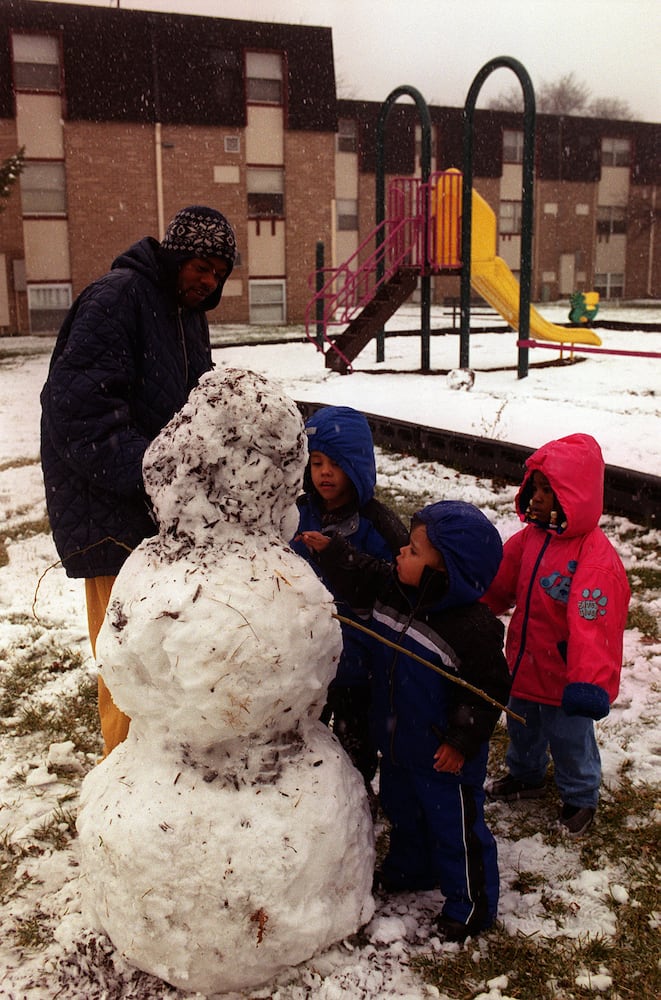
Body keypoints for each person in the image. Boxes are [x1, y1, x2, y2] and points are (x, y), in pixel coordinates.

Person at [40, 205, 237, 755]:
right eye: (202, 265)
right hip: (109, 512)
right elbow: (77, 415)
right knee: (128, 658)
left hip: (156, 510)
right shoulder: (118, 299)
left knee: (166, 651)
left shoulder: (184, 314)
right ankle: (125, 788)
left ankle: (166, 783)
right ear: (175, 255)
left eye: (220, 272)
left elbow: (195, 406)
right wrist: (160, 474)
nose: (210, 280)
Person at [298, 500, 511, 941]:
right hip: (397, 744)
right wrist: (332, 551)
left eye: (414, 551)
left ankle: (470, 905)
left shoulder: (470, 631)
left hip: (441, 756)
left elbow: (486, 696)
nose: (400, 553)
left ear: (444, 572)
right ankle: (412, 867)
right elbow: (365, 573)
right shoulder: (394, 590)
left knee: (456, 831)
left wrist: (460, 741)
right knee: (403, 812)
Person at [483, 433, 630, 837]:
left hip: (566, 674)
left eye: (550, 489)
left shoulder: (593, 559)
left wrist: (586, 682)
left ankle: (581, 794)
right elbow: (502, 580)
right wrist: (478, 605)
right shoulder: (532, 538)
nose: (538, 497)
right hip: (526, 663)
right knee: (522, 725)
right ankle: (526, 774)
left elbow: (594, 626)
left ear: (575, 496)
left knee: (570, 739)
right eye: (536, 487)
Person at [291, 406, 408, 796]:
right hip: (306, 656)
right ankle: (311, 796)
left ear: (356, 465)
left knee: (356, 735)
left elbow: (394, 585)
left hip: (360, 660)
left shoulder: (378, 524)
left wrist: (340, 556)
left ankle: (356, 796)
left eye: (336, 464)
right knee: (307, 730)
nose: (324, 472)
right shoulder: (297, 514)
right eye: (317, 462)